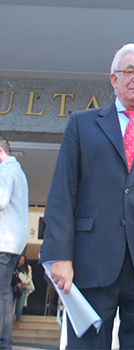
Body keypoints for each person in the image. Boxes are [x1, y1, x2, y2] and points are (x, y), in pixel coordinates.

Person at [39, 43, 134, 349]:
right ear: (113, 78)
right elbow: (62, 194)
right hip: (90, 263)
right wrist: (60, 256)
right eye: (129, 71)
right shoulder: (81, 124)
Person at [0, 137, 28, 350]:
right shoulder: (19, 172)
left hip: (3, 240)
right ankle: (5, 342)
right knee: (4, 293)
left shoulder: (5, 170)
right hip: (14, 243)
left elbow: (1, 199)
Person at [12, 254, 35, 329]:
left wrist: (24, 282)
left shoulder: (27, 268)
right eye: (20, 259)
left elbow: (29, 277)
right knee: (11, 305)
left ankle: (17, 321)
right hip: (13, 287)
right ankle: (9, 320)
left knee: (20, 306)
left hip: (23, 287)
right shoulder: (14, 267)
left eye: (23, 260)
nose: (21, 261)